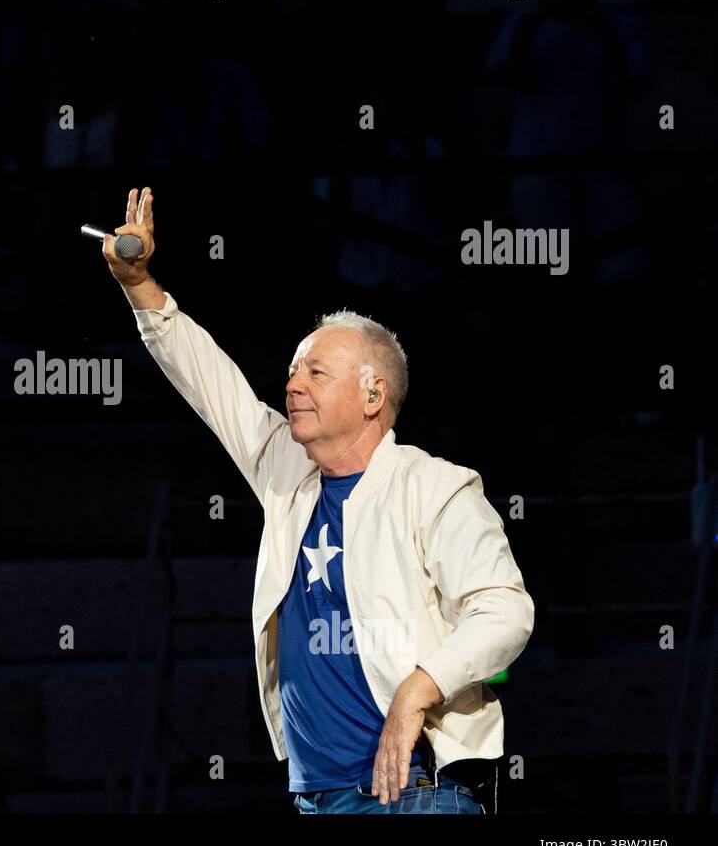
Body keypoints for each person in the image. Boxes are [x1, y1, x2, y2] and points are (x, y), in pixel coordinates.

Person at [100, 188, 534, 814]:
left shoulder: (436, 487)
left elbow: (506, 612)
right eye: (293, 371)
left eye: (315, 373)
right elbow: (211, 382)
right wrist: (140, 285)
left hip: (417, 794)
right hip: (317, 797)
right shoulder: (288, 471)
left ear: (372, 395)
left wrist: (419, 688)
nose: (291, 384)